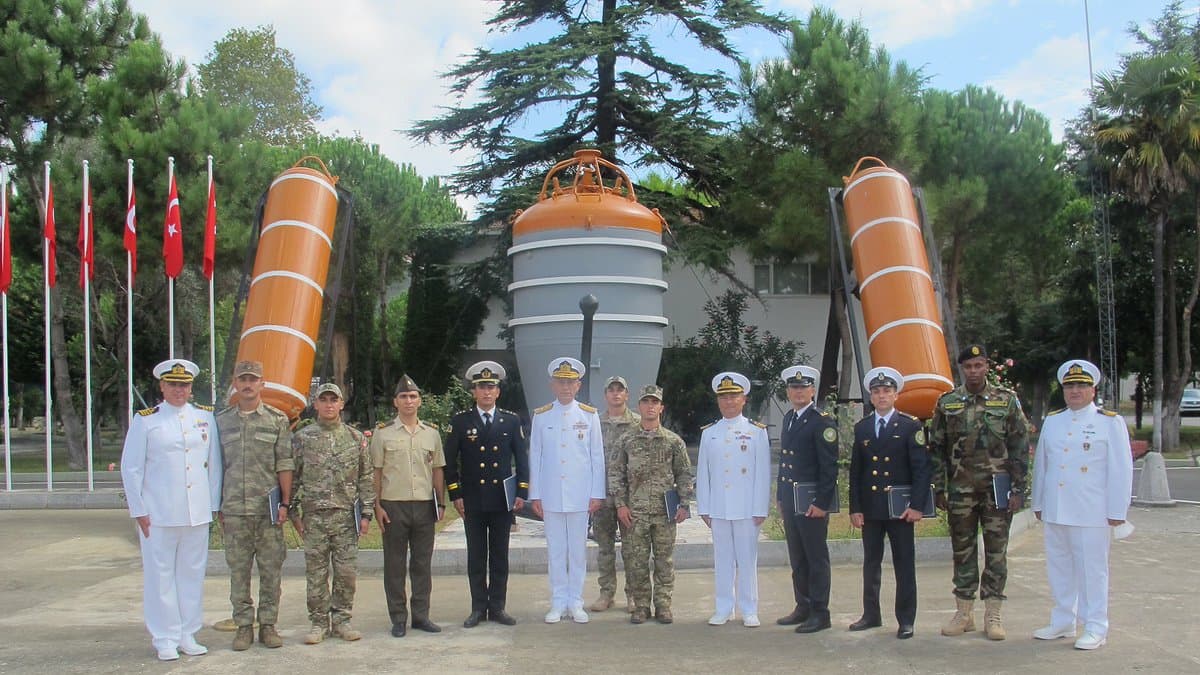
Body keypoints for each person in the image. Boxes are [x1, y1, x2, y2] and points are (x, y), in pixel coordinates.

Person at [120, 359, 222, 661]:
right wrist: (138, 509)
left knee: (191, 574)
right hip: (159, 513)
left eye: (184, 385)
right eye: (173, 385)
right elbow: (132, 468)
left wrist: (213, 505)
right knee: (160, 576)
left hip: (196, 513)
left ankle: (187, 633)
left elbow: (213, 465)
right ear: (162, 386)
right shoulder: (146, 420)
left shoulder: (204, 418)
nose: (179, 390)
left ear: (191, 388)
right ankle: (164, 637)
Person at [929, 344, 1030, 640]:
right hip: (961, 490)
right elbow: (936, 449)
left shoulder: (1006, 400)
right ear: (961, 369)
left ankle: (993, 613)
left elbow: (1020, 446)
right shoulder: (947, 403)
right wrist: (939, 487)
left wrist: (1018, 489)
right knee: (962, 551)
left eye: (978, 365)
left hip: (996, 491)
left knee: (996, 552)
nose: (973, 371)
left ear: (987, 366)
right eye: (968, 366)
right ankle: (964, 612)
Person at [1031, 359, 1133, 651]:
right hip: (1056, 507)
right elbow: (1042, 465)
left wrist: (1117, 510)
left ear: (1093, 389)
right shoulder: (1053, 420)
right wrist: (1038, 501)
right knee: (1059, 567)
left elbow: (1120, 468)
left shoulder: (1108, 421)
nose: (1075, 391)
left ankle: (1095, 626)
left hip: (1091, 510)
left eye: (1081, 386)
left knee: (1092, 570)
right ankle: (1063, 620)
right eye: (1070, 386)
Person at [215, 360, 293, 651]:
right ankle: (244, 626)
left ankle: (269, 625)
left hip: (267, 510)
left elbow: (284, 463)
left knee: (271, 570)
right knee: (239, 572)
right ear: (235, 384)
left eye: (253, 379)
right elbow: (216, 466)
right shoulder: (221, 422)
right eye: (242, 379)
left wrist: (285, 503)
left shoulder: (277, 420)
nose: (247, 384)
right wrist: (217, 505)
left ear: (262, 384)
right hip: (234, 510)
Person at [848, 366, 930, 640]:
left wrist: (917, 506)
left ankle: (906, 619)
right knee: (871, 564)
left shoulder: (910, 426)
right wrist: (855, 508)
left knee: (904, 565)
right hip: (871, 509)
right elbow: (856, 472)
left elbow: (920, 469)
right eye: (876, 391)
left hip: (900, 510)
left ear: (896, 394)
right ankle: (871, 615)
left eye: (887, 391)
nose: (881, 396)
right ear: (870, 396)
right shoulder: (862, 428)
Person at [445, 361, 529, 628]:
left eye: (490, 387)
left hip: (502, 500)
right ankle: (478, 608)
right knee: (477, 556)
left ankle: (498, 607)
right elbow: (449, 461)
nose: (486, 392)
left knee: (500, 556)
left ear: (498, 392)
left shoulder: (511, 420)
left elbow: (521, 459)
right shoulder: (460, 421)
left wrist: (522, 491)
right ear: (474, 391)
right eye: (481, 387)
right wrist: (455, 494)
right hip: (473, 500)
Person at [291, 383, 374, 645]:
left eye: (333, 400)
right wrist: (293, 512)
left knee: (346, 572)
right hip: (314, 517)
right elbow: (293, 477)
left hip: (345, 517)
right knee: (316, 573)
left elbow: (366, 477)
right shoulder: (303, 439)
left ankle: (342, 620)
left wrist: (367, 513)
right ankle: (318, 623)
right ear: (315, 404)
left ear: (341, 404)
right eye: (323, 400)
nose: (328, 405)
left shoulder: (355, 438)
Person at [529, 357, 606, 624]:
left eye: (570, 382)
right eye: (560, 382)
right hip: (551, 494)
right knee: (556, 551)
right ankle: (558, 602)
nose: (565, 387)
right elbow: (535, 456)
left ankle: (576, 602)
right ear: (552, 385)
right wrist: (535, 494)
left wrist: (597, 493)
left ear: (578, 385)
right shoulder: (541, 416)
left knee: (577, 551)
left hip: (580, 495)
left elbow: (597, 456)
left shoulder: (589, 415)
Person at [610, 384, 694, 625]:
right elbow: (616, 474)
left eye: (654, 402)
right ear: (640, 406)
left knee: (664, 561)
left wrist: (683, 505)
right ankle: (641, 606)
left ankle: (663, 605)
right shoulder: (627, 440)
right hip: (635, 512)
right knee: (636, 561)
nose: (650, 406)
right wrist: (620, 505)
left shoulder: (673, 441)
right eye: (646, 402)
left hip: (664, 512)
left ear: (661, 408)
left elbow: (684, 475)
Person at [371, 374, 446, 637]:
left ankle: (421, 616)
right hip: (394, 505)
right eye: (403, 396)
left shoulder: (432, 434)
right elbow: (377, 473)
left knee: (422, 564)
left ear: (420, 401)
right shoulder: (382, 434)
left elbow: (437, 469)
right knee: (394, 564)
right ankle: (398, 618)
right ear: (395, 402)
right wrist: (377, 506)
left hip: (424, 505)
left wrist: (441, 502)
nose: (408, 401)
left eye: (413, 396)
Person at [696, 372, 770, 628]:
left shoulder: (756, 432)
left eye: (733, 396)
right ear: (718, 401)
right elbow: (703, 474)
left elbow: (762, 474)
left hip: (746, 508)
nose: (728, 401)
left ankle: (749, 609)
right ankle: (723, 607)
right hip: (719, 507)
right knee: (723, 559)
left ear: (744, 399)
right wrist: (704, 507)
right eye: (724, 397)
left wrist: (760, 507)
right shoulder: (710, 433)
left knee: (747, 560)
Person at [775, 365, 838, 634]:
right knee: (797, 557)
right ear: (788, 391)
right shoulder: (789, 417)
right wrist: (780, 495)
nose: (798, 392)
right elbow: (785, 461)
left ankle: (820, 612)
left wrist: (822, 503)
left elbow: (829, 467)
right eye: (794, 388)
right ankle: (803, 605)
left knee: (815, 558)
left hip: (812, 502)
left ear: (812, 390)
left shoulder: (821, 420)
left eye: (803, 387)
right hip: (792, 500)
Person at [590, 375, 641, 613]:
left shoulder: (637, 424)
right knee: (604, 547)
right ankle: (606, 593)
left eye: (620, 390)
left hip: (628, 499)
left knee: (631, 548)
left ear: (627, 395)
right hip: (601, 495)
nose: (615, 394)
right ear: (605, 395)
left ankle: (633, 594)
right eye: (611, 390)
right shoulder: (594, 423)